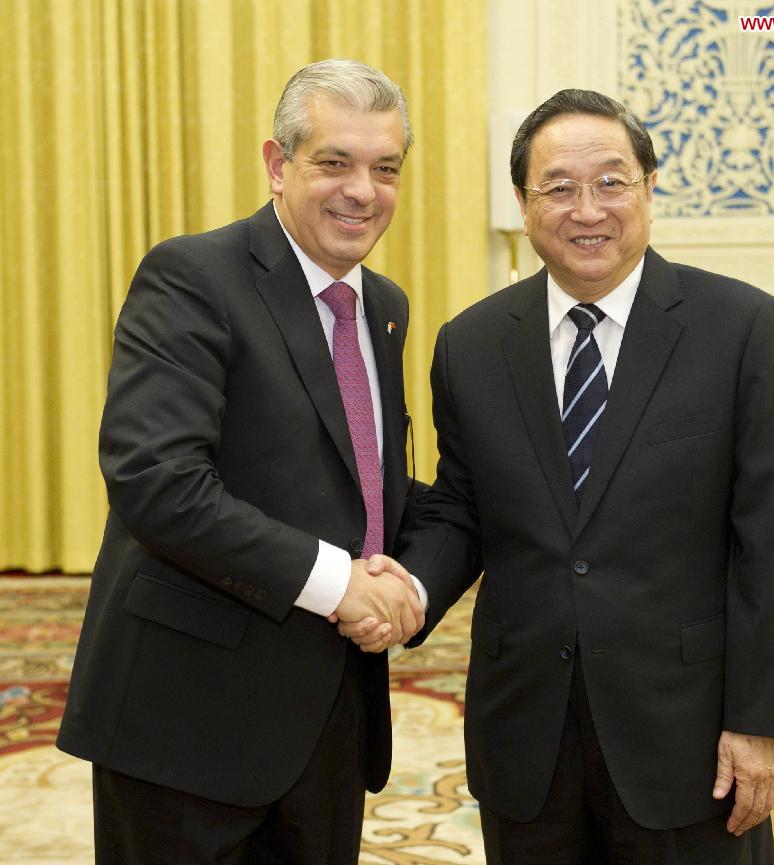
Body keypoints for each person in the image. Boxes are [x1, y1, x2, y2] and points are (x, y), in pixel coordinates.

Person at [343, 89, 774, 864]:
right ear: (524, 207)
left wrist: (757, 722)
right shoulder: (473, 344)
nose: (586, 208)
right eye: (557, 187)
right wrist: (408, 592)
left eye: (611, 182)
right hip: (526, 729)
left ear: (650, 189)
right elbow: (462, 509)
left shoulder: (740, 328)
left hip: (686, 734)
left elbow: (771, 538)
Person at [57, 59, 425, 865]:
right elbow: (158, 482)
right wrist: (341, 584)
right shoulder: (195, 276)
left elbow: (367, 483)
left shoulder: (385, 307)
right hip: (186, 720)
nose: (362, 190)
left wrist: (416, 576)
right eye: (334, 162)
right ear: (276, 163)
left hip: (328, 714)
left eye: (385, 168)